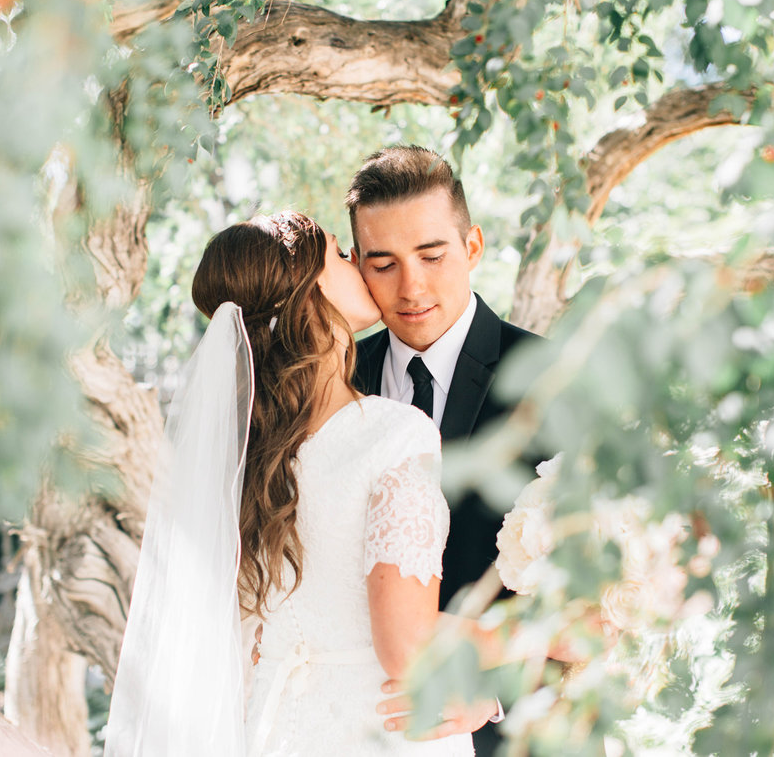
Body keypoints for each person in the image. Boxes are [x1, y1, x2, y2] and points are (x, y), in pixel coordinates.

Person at [104, 211, 473, 756]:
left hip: (273, 730)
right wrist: (537, 637)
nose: (358, 264)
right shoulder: (394, 435)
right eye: (339, 255)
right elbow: (410, 648)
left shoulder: (246, 457)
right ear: (311, 292)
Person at [347, 146, 544, 757]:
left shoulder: (556, 380)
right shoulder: (336, 381)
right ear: (356, 266)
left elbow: (606, 603)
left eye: (432, 256)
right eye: (383, 264)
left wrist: (496, 692)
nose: (412, 287)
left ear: (473, 247)